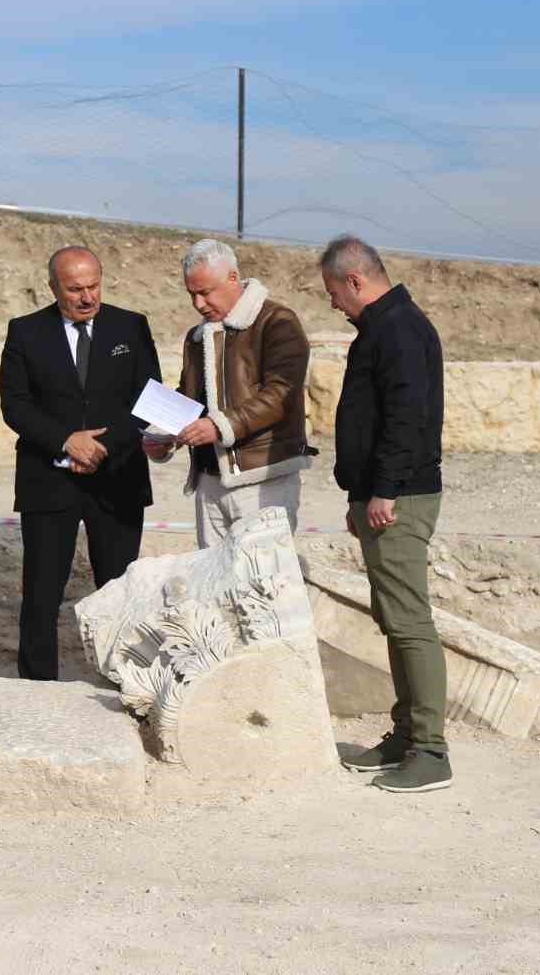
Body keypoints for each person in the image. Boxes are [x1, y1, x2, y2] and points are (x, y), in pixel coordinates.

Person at [319, 234, 450, 794]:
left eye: (333, 292)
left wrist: (384, 491)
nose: (332, 304)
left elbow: (407, 416)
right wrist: (361, 492)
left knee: (411, 623)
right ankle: (404, 736)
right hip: (381, 495)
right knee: (394, 619)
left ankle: (431, 750)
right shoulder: (383, 327)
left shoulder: (397, 329)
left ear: (355, 280)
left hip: (400, 497)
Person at [0, 245, 162, 680]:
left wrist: (101, 449)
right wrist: (66, 441)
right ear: (53, 288)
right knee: (41, 592)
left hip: (118, 479)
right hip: (49, 482)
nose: (87, 297)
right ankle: (36, 690)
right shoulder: (25, 332)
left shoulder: (131, 326)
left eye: (94, 286)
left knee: (120, 590)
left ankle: (125, 684)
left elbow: (150, 399)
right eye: (75, 290)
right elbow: (15, 405)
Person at [142, 239, 314, 547]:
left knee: (265, 585)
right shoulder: (197, 337)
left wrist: (219, 426)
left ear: (232, 278)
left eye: (205, 292)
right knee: (216, 586)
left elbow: (280, 395)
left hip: (263, 480)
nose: (198, 304)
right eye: (191, 294)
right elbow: (191, 397)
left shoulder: (277, 322)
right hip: (209, 482)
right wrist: (163, 436)